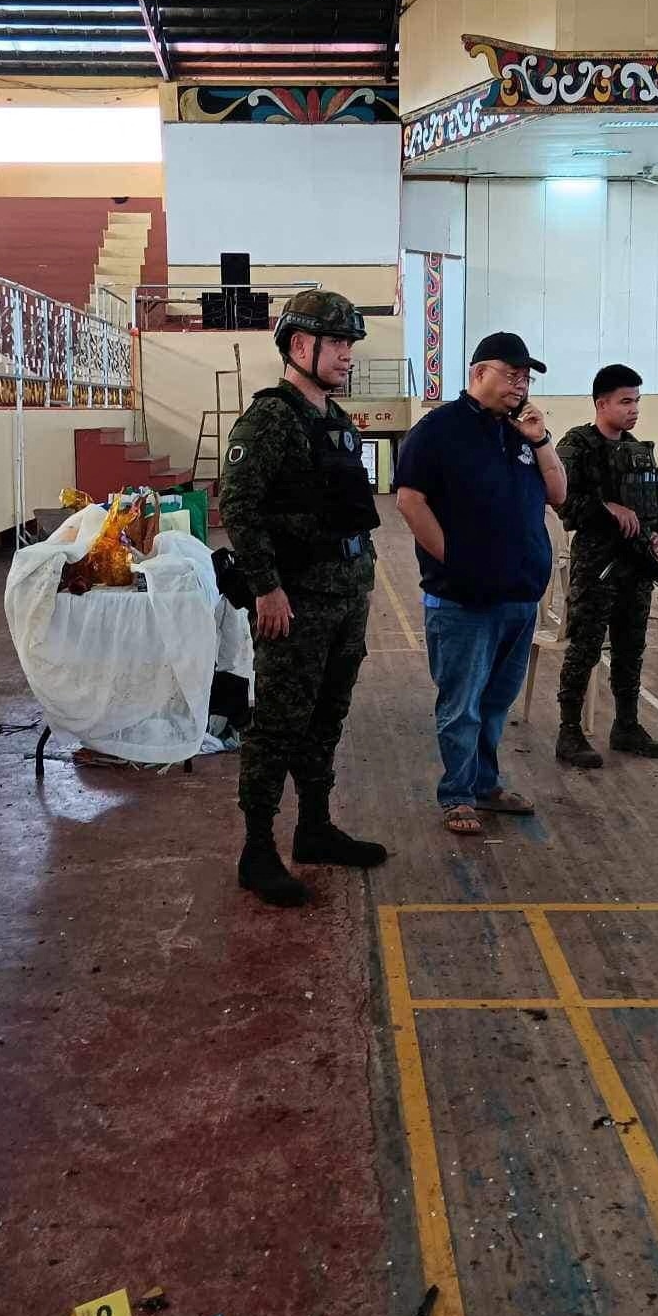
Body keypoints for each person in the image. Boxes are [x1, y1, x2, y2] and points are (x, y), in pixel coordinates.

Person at [219, 289, 389, 907]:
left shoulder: (335, 421)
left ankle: (314, 826)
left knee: (326, 719)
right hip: (294, 603)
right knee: (278, 726)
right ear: (299, 346)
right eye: (338, 343)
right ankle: (257, 848)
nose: (348, 355)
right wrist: (266, 586)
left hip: (344, 599)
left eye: (349, 344)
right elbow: (239, 506)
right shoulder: (271, 419)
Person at [394, 332, 567, 836]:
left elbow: (558, 494)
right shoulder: (438, 431)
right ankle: (457, 794)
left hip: (519, 596)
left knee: (495, 702)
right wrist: (457, 561)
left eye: (526, 378)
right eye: (511, 375)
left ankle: (486, 784)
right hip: (462, 599)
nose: (520, 385)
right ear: (478, 374)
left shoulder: (521, 434)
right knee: (461, 703)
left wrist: (540, 439)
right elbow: (409, 501)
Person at [553, 364, 658, 767]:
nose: (633, 409)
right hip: (597, 563)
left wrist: (655, 533)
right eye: (625, 401)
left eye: (637, 401)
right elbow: (563, 500)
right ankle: (569, 731)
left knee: (631, 647)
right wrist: (606, 507)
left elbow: (652, 503)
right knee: (585, 647)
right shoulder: (577, 447)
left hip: (635, 563)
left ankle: (626, 725)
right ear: (601, 403)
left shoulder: (639, 451)